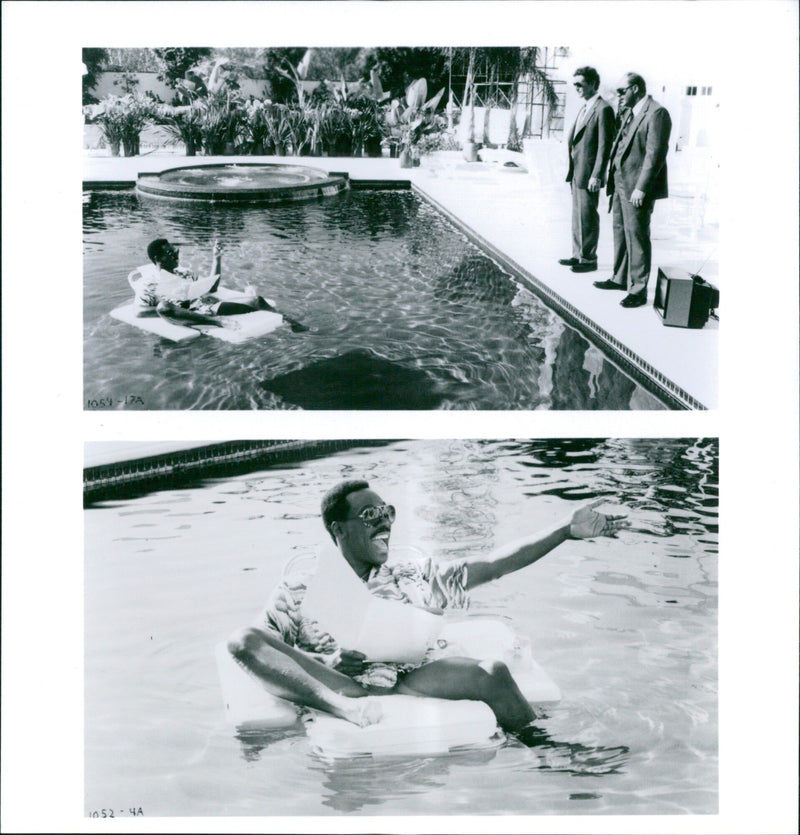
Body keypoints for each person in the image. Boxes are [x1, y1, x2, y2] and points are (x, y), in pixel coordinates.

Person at [227, 479, 629, 739]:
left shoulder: (414, 574)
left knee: (493, 672)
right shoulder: (300, 585)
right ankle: (342, 709)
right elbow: (261, 650)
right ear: (338, 529)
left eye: (388, 513)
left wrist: (563, 530)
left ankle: (546, 750)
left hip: (412, 674)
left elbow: (493, 564)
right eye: (370, 516)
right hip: (339, 684)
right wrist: (326, 658)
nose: (384, 522)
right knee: (241, 639)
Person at [593, 72, 672, 308]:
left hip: (636, 185)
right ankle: (619, 277)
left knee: (637, 235)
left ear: (635, 89)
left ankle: (638, 289)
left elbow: (655, 155)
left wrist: (641, 188)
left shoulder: (656, 113)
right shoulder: (630, 111)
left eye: (621, 91)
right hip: (619, 180)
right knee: (620, 230)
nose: (618, 95)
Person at [130, 239, 308, 331]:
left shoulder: (184, 272)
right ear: (158, 258)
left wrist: (217, 258)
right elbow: (140, 312)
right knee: (163, 306)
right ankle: (216, 322)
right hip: (182, 313)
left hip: (204, 307)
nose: (176, 256)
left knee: (256, 300)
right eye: (171, 253)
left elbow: (211, 288)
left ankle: (291, 323)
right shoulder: (148, 283)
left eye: (176, 251)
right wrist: (178, 305)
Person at [559, 66, 615, 274]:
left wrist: (597, 175)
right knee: (578, 216)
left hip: (589, 174)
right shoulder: (584, 108)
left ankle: (589, 259)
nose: (576, 88)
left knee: (588, 217)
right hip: (577, 172)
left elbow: (604, 147)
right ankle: (577, 254)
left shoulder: (603, 109)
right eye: (574, 85)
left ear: (592, 83)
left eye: (580, 84)